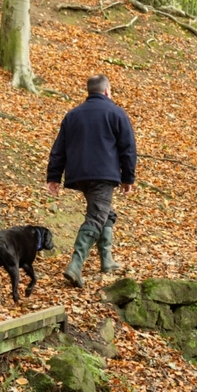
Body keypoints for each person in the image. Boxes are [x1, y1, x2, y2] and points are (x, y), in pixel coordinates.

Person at [46, 74, 137, 288]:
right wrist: (128, 177)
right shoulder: (116, 113)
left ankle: (107, 261)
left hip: (79, 176)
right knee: (97, 215)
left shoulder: (73, 115)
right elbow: (128, 149)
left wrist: (54, 176)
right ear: (107, 91)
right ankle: (75, 266)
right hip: (103, 175)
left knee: (106, 212)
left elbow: (58, 149)